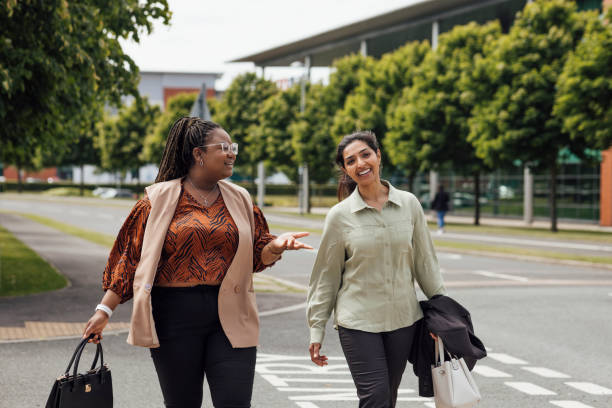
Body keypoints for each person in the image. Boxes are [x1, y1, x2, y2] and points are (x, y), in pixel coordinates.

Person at [82, 117, 312, 408]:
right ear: (198, 154)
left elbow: (256, 255)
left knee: (235, 403)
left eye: (233, 147)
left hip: (231, 312)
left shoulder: (240, 198)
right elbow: (130, 258)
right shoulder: (158, 199)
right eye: (224, 147)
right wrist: (104, 310)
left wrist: (276, 246)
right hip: (174, 317)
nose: (232, 153)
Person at [306, 130, 446, 408]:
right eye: (351, 160)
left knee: (388, 397)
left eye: (365, 154)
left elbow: (425, 263)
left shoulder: (409, 204)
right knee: (376, 396)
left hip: (403, 320)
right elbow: (326, 276)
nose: (360, 163)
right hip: (357, 321)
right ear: (346, 169)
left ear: (378, 156)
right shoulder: (339, 216)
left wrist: (443, 314)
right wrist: (316, 328)